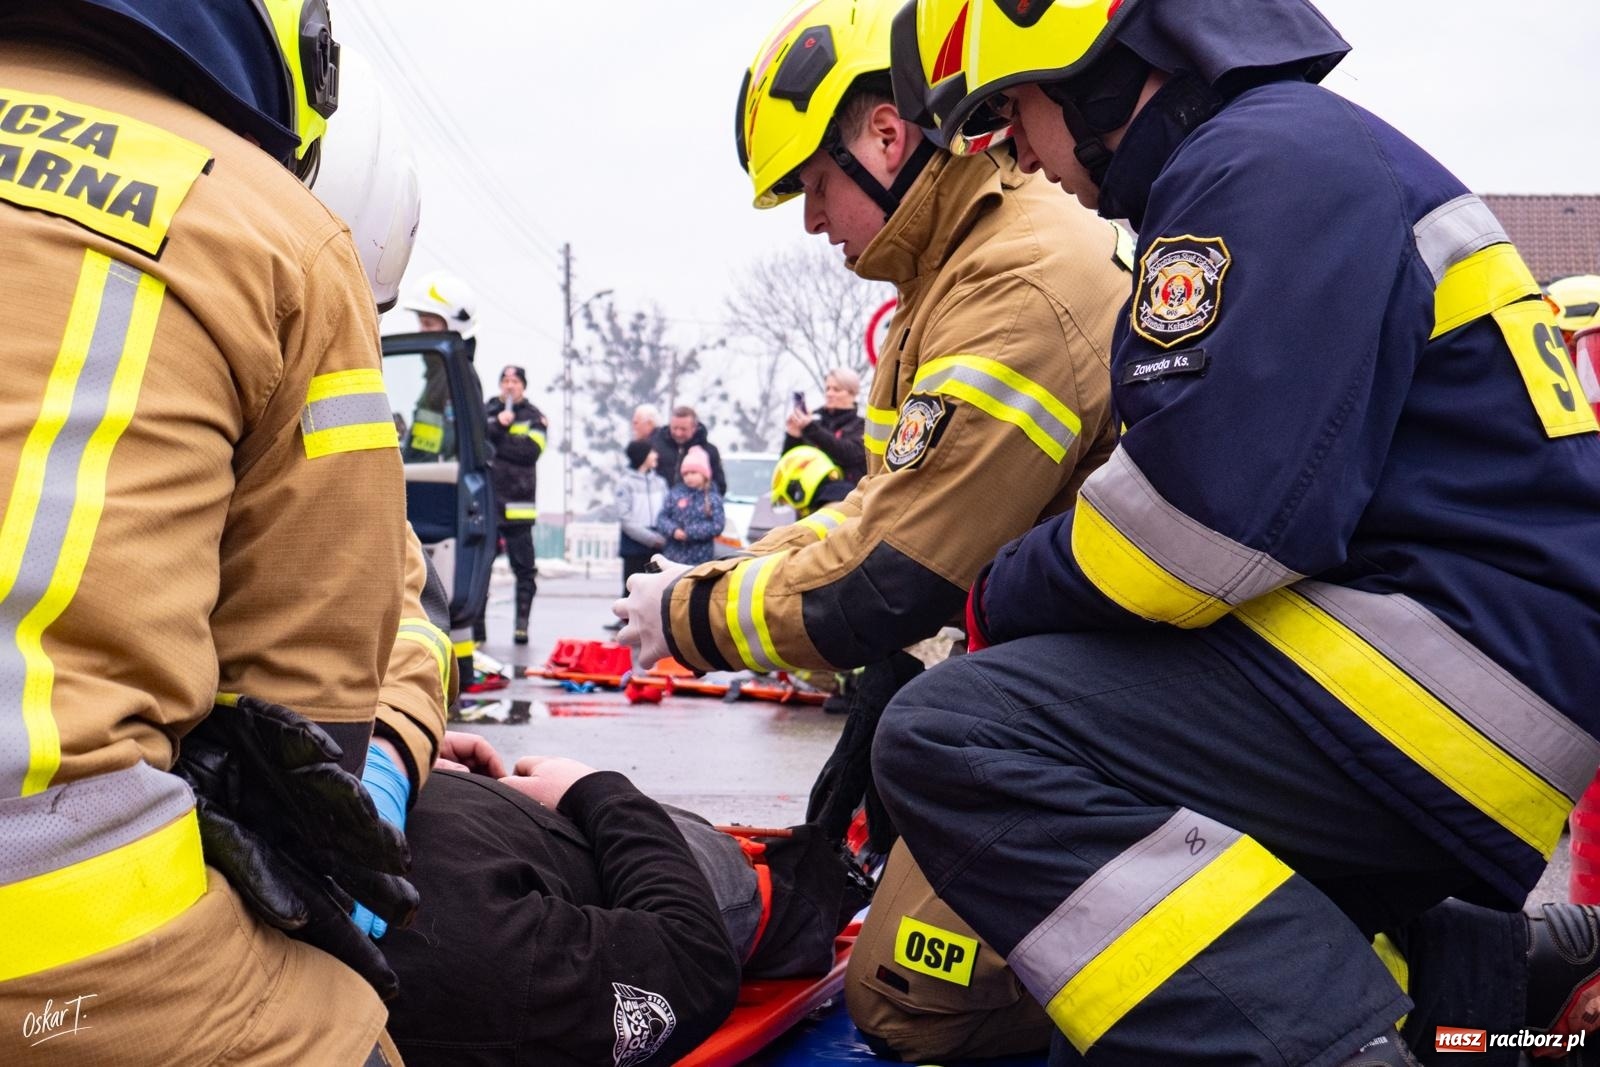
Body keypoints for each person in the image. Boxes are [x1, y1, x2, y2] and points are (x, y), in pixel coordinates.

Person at [879, 1, 1600, 1064]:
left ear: (1096, 71)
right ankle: (1433, 1007)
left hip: (1434, 681)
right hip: (1471, 672)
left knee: (956, 731)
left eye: (1010, 113)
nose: (1019, 156)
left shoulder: (1258, 162)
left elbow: (1195, 532)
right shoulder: (1302, 150)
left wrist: (996, 598)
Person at [614, 0, 1132, 1057]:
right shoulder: (951, 276)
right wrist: (723, 569)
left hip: (1111, 699)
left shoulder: (1014, 284)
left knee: (912, 989)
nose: (810, 222)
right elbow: (879, 512)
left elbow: (885, 578)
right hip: (1038, 675)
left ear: (887, 137)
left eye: (811, 186)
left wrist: (683, 615)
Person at [0, 2, 436, 1062]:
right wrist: (389, 757)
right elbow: (304, 735)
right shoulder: (274, 232)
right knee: (352, 1030)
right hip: (53, 934)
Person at [379, 731, 871, 1067]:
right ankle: (840, 871)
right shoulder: (469, 964)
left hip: (496, 822)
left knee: (674, 833)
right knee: (776, 890)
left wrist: (396, 747)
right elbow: (693, 960)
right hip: (624, 883)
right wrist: (595, 790)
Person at [483, 364, 547, 646]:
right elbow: (477, 440)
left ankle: (522, 626)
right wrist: (499, 425)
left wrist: (498, 440)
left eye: (515, 381)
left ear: (523, 386)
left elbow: (530, 452)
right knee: (481, 569)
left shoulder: (534, 417)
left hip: (518, 507)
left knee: (524, 571)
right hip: (488, 505)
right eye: (505, 380)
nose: (510, 385)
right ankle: (476, 630)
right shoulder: (487, 411)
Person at [606, 440, 669, 632]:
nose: (656, 456)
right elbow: (626, 519)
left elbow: (668, 511)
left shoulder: (660, 482)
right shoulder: (625, 483)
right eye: (652, 452)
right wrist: (651, 538)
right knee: (632, 584)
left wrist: (662, 535)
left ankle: (651, 621)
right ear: (642, 456)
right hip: (635, 544)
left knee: (655, 585)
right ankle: (627, 621)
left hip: (658, 543)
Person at [783, 367, 868, 490]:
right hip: (808, 496)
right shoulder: (813, 421)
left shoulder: (861, 425)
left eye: (836, 389)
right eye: (827, 388)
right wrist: (793, 436)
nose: (829, 393)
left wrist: (811, 428)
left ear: (852, 394)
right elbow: (789, 463)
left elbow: (848, 453)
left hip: (844, 498)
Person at [654, 446, 725, 567]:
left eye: (693, 473)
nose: (689, 477)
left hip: (700, 559)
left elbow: (717, 525)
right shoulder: (675, 494)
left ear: (704, 474)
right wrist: (673, 530)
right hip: (673, 557)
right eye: (686, 474)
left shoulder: (712, 498)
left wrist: (690, 532)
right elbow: (662, 517)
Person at [650, 404, 728, 495]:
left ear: (694, 428)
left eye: (683, 429)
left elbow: (719, 486)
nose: (678, 433)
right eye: (675, 428)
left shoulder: (709, 452)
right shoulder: (655, 446)